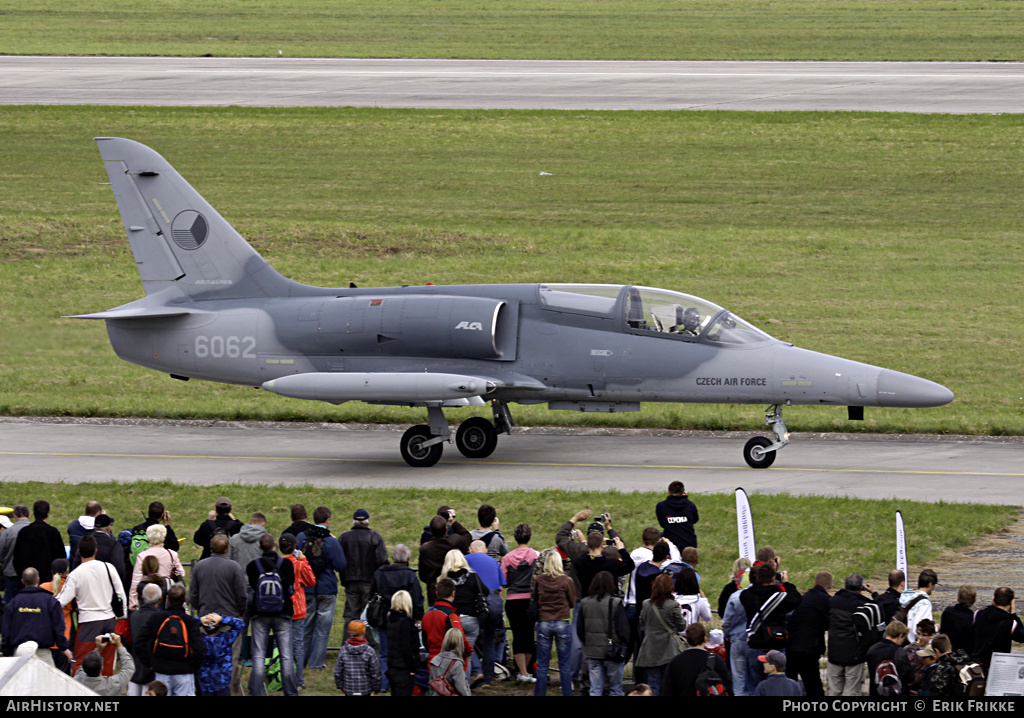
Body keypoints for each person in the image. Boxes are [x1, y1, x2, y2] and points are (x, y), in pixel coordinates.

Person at [57, 535, 128, 676]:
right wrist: (122, 615)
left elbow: (61, 601)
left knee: (82, 662)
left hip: (88, 624)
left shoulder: (76, 574)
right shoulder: (109, 568)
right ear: (96, 550)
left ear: (78, 551)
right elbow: (121, 594)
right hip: (109, 621)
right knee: (106, 663)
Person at [295, 507, 348, 675]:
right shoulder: (331, 541)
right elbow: (341, 565)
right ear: (327, 520)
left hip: (307, 588)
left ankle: (301, 660)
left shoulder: (302, 537)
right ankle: (316, 663)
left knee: (306, 627)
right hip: (326, 588)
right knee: (323, 629)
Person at [246, 533, 298, 696]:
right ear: (275, 545)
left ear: (260, 547)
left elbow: (254, 587)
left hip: (260, 613)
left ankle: (256, 692)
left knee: (259, 656)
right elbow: (290, 586)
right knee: (286, 655)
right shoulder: (287, 565)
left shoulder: (252, 566)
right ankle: (290, 691)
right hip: (283, 612)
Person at [134, 584, 206, 696]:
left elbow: (139, 642)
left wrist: (150, 663)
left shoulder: (156, 618)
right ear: (185, 600)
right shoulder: (190, 621)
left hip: (161, 671)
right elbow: (199, 648)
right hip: (184, 672)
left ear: (167, 599)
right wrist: (194, 666)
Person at [741, 561, 801, 693]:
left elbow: (748, 590)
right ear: (774, 578)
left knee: (753, 689)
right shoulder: (780, 598)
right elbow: (796, 599)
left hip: (756, 646)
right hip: (776, 647)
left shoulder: (747, 596)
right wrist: (785, 583)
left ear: (757, 578)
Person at [1, 568, 72, 666]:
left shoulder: (13, 603)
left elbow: (6, 630)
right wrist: (64, 648)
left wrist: (6, 652)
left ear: (22, 581)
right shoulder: (50, 601)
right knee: (46, 681)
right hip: (43, 653)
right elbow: (58, 627)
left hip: (19, 653)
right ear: (38, 580)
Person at [577, 571, 630, 696]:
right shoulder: (615, 603)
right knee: (615, 689)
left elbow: (580, 629)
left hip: (592, 652)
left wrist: (588, 643)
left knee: (595, 689)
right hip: (612, 651)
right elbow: (623, 629)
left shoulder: (585, 603)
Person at [339, 509, 388, 640]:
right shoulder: (375, 536)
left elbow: (340, 560)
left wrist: (344, 578)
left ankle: (347, 644)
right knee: (370, 615)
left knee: (350, 616)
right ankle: (370, 648)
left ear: (354, 521)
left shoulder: (344, 537)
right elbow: (383, 561)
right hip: (370, 583)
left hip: (350, 582)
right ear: (367, 521)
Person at [532, 548, 576, 696]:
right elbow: (572, 602)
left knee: (543, 665)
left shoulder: (539, 580)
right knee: (564, 665)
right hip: (562, 621)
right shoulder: (567, 580)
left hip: (544, 621)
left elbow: (535, 599)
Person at [827, 573, 878, 697]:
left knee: (833, 691)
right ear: (862, 588)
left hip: (834, 653)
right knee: (853, 692)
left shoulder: (832, 601)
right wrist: (874, 593)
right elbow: (879, 609)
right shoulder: (863, 605)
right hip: (854, 655)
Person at [441, 548, 487, 685]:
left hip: (452, 620)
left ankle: (452, 685)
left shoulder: (444, 580)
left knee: (452, 657)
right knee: (466, 657)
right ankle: (464, 687)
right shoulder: (472, 577)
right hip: (471, 619)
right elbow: (485, 591)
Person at [635, 573, 685, 695]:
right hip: (669, 649)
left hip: (651, 648)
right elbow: (681, 626)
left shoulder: (646, 604)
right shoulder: (672, 605)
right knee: (668, 684)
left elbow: (642, 621)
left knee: (653, 684)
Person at [501, 523, 539, 683]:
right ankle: (527, 670)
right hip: (529, 601)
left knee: (517, 636)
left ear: (515, 538)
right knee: (530, 635)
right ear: (529, 537)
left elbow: (503, 582)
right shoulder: (536, 556)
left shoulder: (507, 558)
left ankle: (522, 671)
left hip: (513, 601)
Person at [465, 539, 505, 688]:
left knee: (468, 639)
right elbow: (501, 587)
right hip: (495, 600)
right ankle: (488, 679)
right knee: (489, 641)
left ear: (471, 549)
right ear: (486, 550)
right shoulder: (494, 562)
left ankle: (475, 670)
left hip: (477, 601)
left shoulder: (466, 559)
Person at [786, 570, 831, 698]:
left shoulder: (804, 597)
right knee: (813, 684)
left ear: (814, 583)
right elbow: (828, 623)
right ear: (831, 586)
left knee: (791, 682)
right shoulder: (826, 600)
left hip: (791, 645)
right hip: (809, 649)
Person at [279, 533, 315, 685]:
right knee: (297, 646)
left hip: (279, 609)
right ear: (294, 547)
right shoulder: (299, 564)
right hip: (296, 609)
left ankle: (279, 677)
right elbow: (311, 581)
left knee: (279, 645)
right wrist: (304, 559)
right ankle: (298, 680)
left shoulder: (277, 563)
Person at [661, 622, 731, 696]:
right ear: (704, 639)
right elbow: (728, 685)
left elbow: (667, 690)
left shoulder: (675, 661)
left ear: (687, 640)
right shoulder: (715, 659)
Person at [419, 511, 471, 606]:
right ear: (446, 529)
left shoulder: (425, 549)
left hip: (434, 591)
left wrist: (432, 582)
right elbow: (467, 536)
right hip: (455, 589)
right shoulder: (455, 541)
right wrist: (453, 522)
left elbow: (422, 575)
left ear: (430, 530)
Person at [127, 524, 184, 611]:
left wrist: (133, 603)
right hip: (166, 596)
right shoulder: (172, 554)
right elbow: (181, 573)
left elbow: (136, 581)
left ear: (148, 538)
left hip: (148, 595)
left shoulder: (142, 556)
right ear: (164, 538)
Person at [970, 586, 1024, 674]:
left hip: (977, 666)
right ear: (1011, 602)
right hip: (998, 666)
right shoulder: (1010, 623)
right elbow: (1022, 637)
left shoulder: (978, 614)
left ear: (994, 599)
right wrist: (1013, 614)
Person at [421, 577, 474, 664]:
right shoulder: (450, 615)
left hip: (432, 662)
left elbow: (425, 641)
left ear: (436, 593)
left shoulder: (426, 616)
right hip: (449, 664)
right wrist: (468, 650)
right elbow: (459, 637)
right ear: (453, 594)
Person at [13, 500, 66, 586]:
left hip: (28, 581)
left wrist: (22, 575)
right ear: (47, 515)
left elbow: (17, 557)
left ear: (33, 514)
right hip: (48, 581)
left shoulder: (24, 532)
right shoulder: (53, 532)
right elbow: (61, 556)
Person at [197, 612, 245, 697]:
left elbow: (184, 624)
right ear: (220, 626)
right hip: (222, 682)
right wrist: (221, 619)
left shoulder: (199, 640)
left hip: (204, 682)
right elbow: (240, 624)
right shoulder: (226, 639)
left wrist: (200, 620)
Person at [128, 583, 162, 696]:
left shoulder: (134, 616)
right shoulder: (161, 618)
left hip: (135, 666)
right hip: (153, 667)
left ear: (142, 598)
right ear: (160, 599)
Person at [385, 590, 421, 697]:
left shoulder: (391, 620)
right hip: (403, 669)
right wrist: (412, 667)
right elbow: (406, 648)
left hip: (392, 666)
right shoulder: (405, 623)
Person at [334, 620, 381, 696]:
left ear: (349, 632)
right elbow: (375, 671)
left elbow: (338, 670)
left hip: (349, 688)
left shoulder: (343, 650)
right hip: (365, 688)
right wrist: (376, 687)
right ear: (364, 632)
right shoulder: (369, 651)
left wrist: (339, 685)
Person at [866, 620, 913, 697]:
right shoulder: (899, 651)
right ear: (900, 636)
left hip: (876, 691)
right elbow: (909, 676)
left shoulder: (872, 649)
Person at [721, 576, 751, 696]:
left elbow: (726, 622)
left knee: (738, 680)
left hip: (737, 640)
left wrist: (728, 636)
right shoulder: (758, 595)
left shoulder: (735, 597)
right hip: (754, 642)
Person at [655, 481, 698, 553]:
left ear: (668, 491)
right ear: (683, 491)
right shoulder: (690, 505)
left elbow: (662, 524)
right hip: (690, 543)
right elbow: (695, 520)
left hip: (670, 542)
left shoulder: (661, 506)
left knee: (655, 535)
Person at [428, 628, 472, 696]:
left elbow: (431, 686)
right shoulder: (457, 664)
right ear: (460, 643)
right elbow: (462, 688)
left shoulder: (435, 660)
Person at [0, 505, 31, 603]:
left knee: (9, 604)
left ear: (14, 516)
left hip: (11, 574)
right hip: (31, 575)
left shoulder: (7, 532)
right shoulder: (35, 530)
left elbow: (0, 553)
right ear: (29, 515)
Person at [899, 568, 937, 643]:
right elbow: (922, 629)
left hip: (902, 640)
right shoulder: (924, 603)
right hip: (914, 643)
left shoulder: (906, 596)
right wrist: (936, 628)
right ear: (930, 584)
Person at [939, 584, 977, 655]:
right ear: (974, 600)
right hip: (964, 656)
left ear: (958, 597)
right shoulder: (972, 619)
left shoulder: (947, 612)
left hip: (946, 653)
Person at [67, 501, 103, 568]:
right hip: (93, 568)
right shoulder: (99, 529)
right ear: (98, 513)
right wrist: (103, 520)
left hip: (74, 567)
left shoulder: (73, 526)